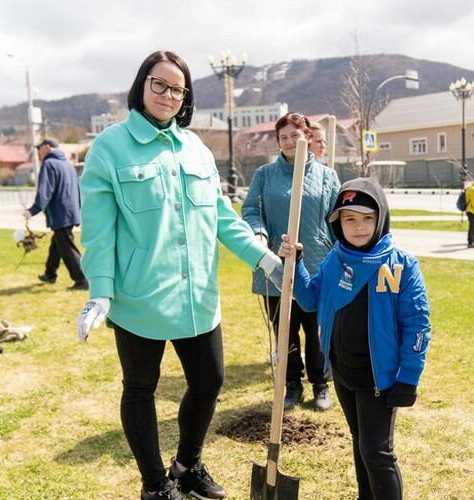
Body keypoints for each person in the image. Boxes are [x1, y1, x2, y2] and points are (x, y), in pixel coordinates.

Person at [75, 50, 284, 500]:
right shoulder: (109, 147)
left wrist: (262, 257)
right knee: (140, 390)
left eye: (178, 89)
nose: (168, 95)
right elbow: (98, 231)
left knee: (209, 381)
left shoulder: (195, 147)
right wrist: (101, 292)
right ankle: (155, 485)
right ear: (142, 84)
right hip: (138, 299)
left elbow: (223, 217)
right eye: (160, 84)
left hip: (197, 296)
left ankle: (187, 465)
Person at [278, 177, 431, 500]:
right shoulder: (336, 260)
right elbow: (309, 299)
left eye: (367, 218)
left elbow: (418, 326)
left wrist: (408, 378)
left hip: (380, 380)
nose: (358, 226)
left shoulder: (401, 266)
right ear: (339, 224)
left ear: (381, 220)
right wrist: (296, 263)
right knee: (360, 441)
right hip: (344, 374)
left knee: (378, 452)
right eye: (350, 219)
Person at [242, 112, 341, 412]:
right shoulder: (264, 176)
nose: (288, 142)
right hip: (276, 266)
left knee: (316, 331)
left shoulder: (328, 177)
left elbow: (338, 221)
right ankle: (292, 385)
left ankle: (320, 384)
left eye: (294, 136)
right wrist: (258, 233)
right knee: (285, 331)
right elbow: (251, 210)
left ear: (307, 138)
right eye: (282, 137)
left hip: (315, 266)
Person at [22, 138, 88, 291]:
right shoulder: (68, 166)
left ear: (47, 147)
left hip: (60, 213)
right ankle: (50, 274)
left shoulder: (49, 164)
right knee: (57, 244)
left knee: (67, 248)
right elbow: (77, 190)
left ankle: (81, 280)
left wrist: (32, 211)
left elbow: (46, 191)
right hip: (70, 213)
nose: (38, 153)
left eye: (39, 149)